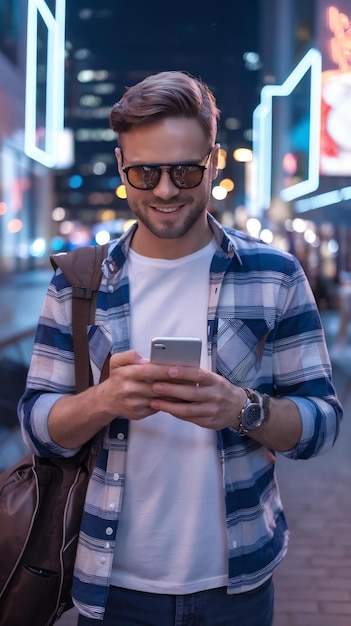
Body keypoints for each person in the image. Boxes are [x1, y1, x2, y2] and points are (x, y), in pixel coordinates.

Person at [18, 71, 343, 626]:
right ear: (122, 165)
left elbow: (323, 424)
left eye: (185, 171)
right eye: (146, 173)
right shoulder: (77, 281)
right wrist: (105, 400)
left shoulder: (275, 275)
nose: (166, 190)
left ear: (213, 162)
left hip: (238, 585)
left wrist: (242, 409)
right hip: (110, 583)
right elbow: (36, 424)